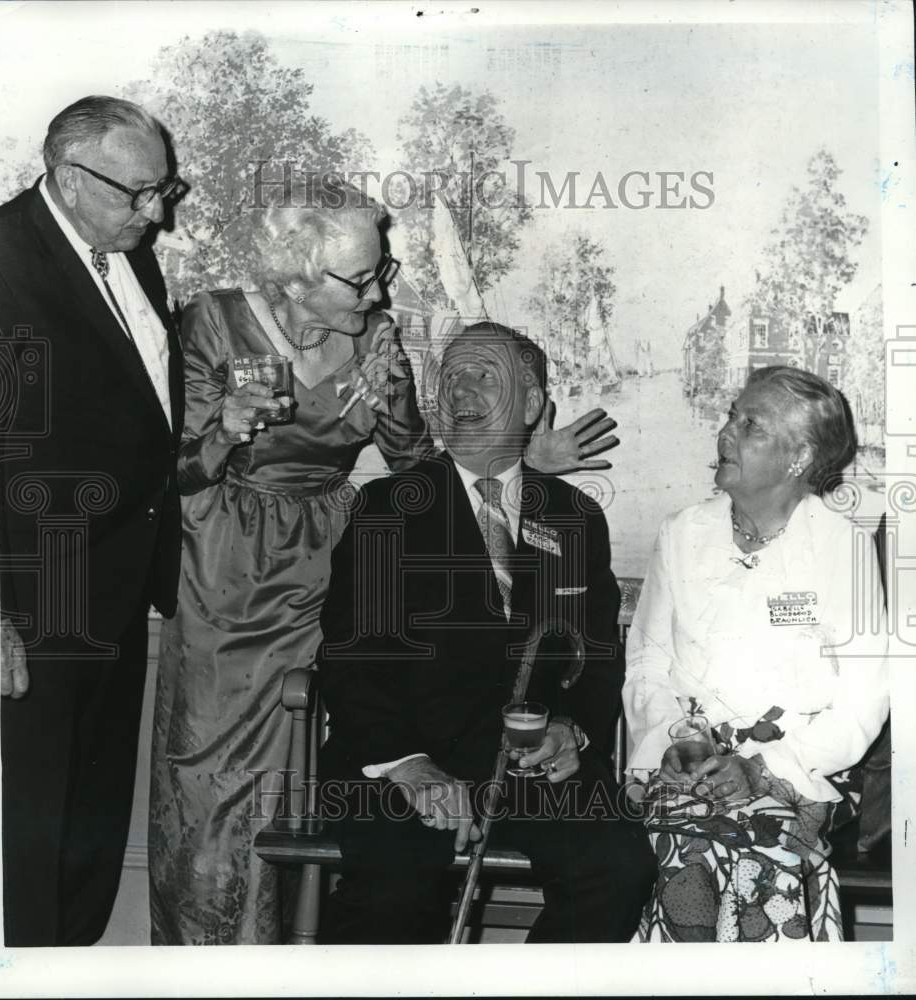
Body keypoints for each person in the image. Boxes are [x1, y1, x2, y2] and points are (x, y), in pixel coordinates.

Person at [148, 182, 621, 945]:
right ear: (297, 272)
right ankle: (211, 959)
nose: (378, 292)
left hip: (325, 559)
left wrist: (523, 458)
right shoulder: (212, 322)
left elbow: (424, 462)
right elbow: (157, 475)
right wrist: (225, 432)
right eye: (358, 279)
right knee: (214, 779)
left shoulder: (375, 338)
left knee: (317, 761)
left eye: (380, 271)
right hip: (228, 569)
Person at [316, 321, 656, 945]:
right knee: (392, 894)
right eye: (450, 376)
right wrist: (409, 766)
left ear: (531, 405)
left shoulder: (576, 517)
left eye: (482, 374)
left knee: (617, 868)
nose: (460, 389)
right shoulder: (386, 507)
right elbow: (352, 658)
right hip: (408, 762)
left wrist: (570, 727)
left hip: (537, 772)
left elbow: (600, 657)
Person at [0, 95, 185, 946]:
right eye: (138, 192)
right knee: (24, 843)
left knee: (90, 832)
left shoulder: (130, 258)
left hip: (116, 588)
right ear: (71, 178)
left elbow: (139, 425)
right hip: (34, 606)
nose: (157, 212)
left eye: (163, 189)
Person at [623, 365, 889, 942]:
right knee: (684, 847)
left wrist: (763, 770)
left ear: (799, 458)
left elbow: (865, 699)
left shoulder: (842, 546)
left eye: (751, 425)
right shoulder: (682, 533)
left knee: (755, 860)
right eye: (730, 416)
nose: (726, 432)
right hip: (685, 766)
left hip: (796, 772)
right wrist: (676, 738)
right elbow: (646, 658)